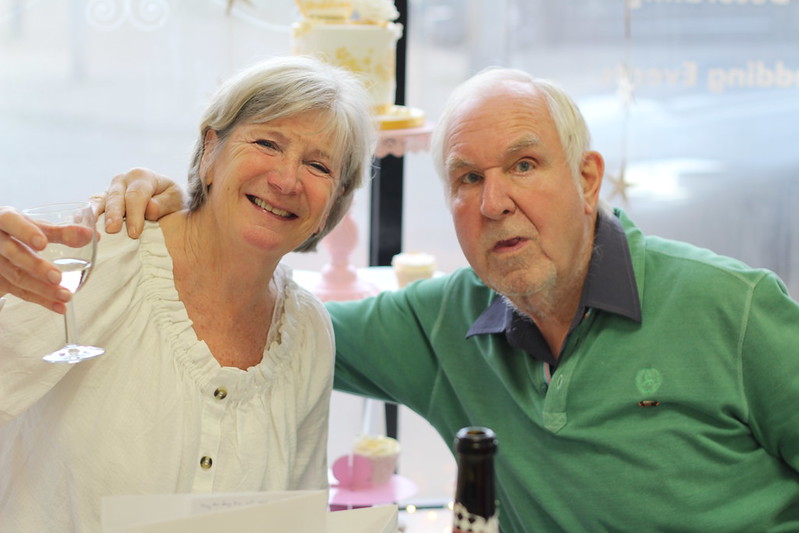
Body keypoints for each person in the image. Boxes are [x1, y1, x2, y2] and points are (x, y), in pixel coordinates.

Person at [11, 67, 799, 531]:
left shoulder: (733, 310)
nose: (493, 202)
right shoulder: (439, 324)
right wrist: (153, 206)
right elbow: (228, 306)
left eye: (523, 164)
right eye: (466, 178)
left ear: (588, 180)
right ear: (209, 151)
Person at [0, 55, 375, 532]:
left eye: (318, 166)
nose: (286, 179)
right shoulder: (105, 261)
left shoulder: (307, 333)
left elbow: (294, 517)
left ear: (332, 207)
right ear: (210, 153)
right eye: (267, 142)